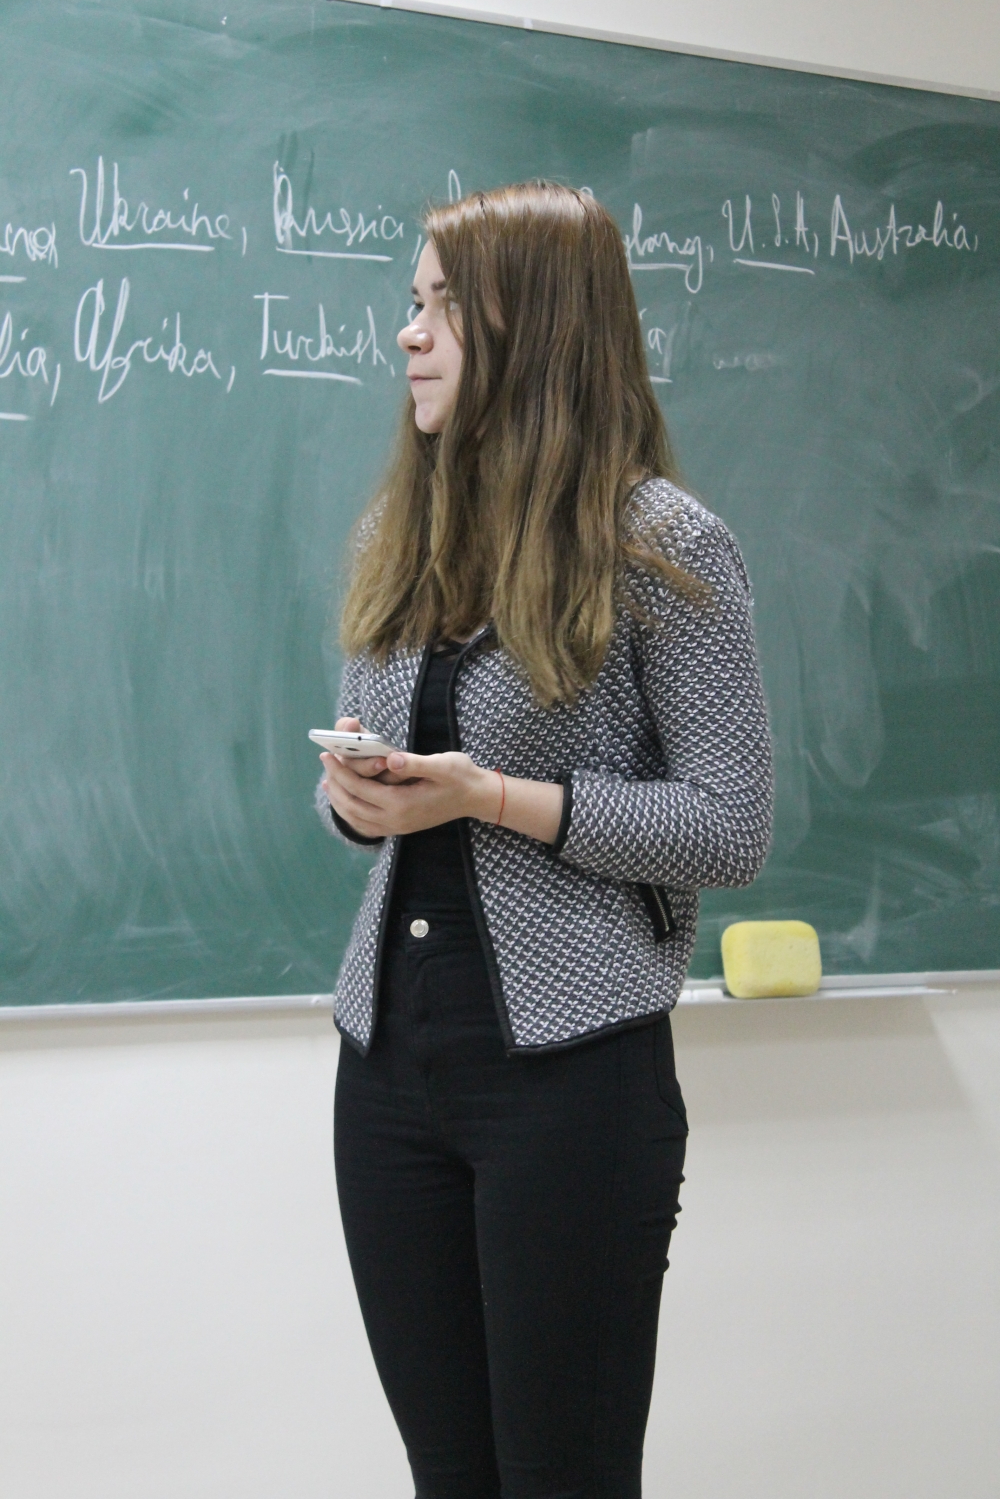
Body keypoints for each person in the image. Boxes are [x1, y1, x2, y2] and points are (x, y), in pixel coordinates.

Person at [317, 180, 772, 1499]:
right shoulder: (405, 532)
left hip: (572, 1086)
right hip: (388, 1073)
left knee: (563, 1477)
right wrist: (356, 796)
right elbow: (376, 767)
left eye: (443, 307)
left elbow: (729, 826)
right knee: (450, 1476)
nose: (409, 333)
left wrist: (494, 796)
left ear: (539, 325)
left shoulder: (665, 545)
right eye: (412, 304)